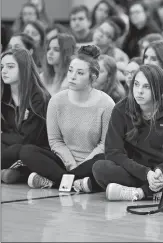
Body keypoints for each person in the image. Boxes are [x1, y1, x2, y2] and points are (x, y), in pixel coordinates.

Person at [92, 64, 163, 201]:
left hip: (161, 168)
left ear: (158, 89)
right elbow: (113, 151)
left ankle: (140, 192)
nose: (139, 91)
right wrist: (145, 173)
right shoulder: (120, 109)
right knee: (100, 167)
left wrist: (161, 170)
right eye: (136, 84)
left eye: (146, 87)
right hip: (133, 169)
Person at [18, 45, 115, 193]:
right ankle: (77, 183)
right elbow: (55, 141)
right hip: (63, 162)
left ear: (93, 77)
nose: (72, 76)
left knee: (105, 160)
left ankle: (55, 182)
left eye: (80, 73)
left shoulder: (107, 104)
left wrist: (84, 164)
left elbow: (105, 144)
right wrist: (71, 165)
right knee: (27, 151)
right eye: (70, 70)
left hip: (92, 162)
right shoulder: (56, 101)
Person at [1, 48, 50, 183]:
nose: (4, 71)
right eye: (2, 67)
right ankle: (13, 173)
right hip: (10, 148)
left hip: (35, 151)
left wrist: (2, 136)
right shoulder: (3, 96)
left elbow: (28, 139)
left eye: (10, 67)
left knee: (21, 149)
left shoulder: (38, 98)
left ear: (24, 69)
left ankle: (17, 172)